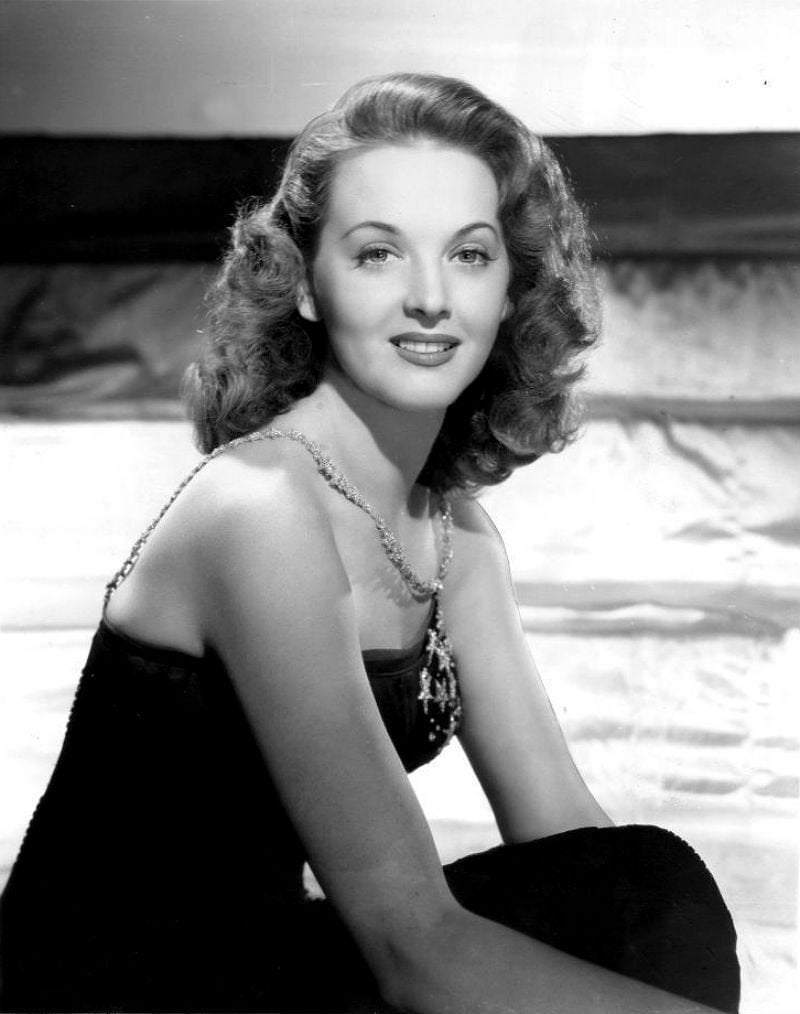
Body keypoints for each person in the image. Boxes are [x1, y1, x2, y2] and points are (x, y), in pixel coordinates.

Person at [0, 73, 739, 1014]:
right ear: (306, 284)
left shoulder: (457, 539)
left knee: (646, 886)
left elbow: (573, 844)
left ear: (511, 290)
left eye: (469, 255)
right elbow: (411, 945)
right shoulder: (259, 509)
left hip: (262, 967)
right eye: (379, 253)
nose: (429, 298)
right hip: (110, 997)